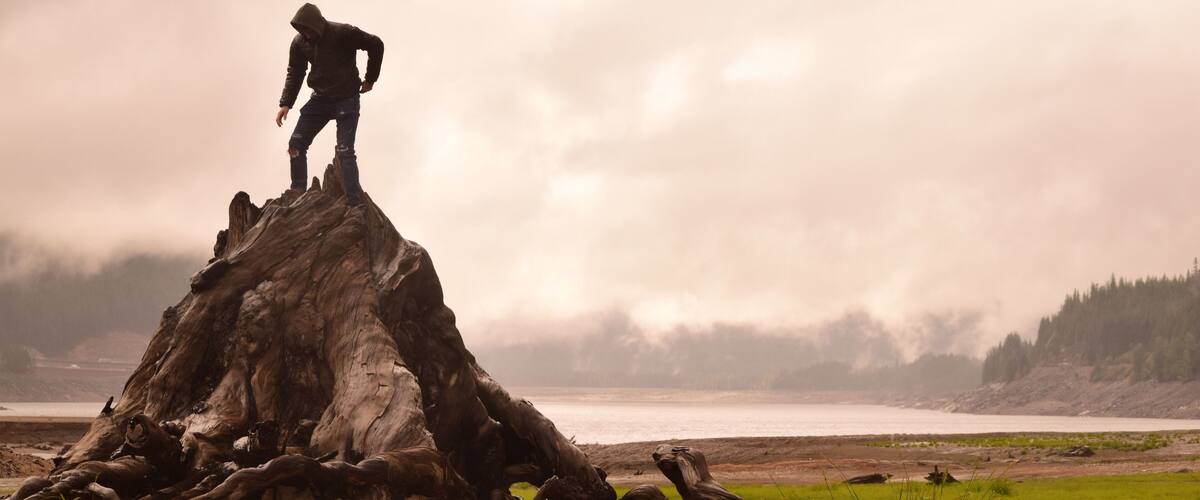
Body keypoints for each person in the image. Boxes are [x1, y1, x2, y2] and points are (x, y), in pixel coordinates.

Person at [275, 3, 383, 207]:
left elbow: (376, 44)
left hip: (346, 98)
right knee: (295, 146)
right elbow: (295, 72)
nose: (305, 34)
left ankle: (355, 205)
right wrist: (286, 103)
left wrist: (370, 79)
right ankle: (298, 196)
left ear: (317, 25)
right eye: (301, 30)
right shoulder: (299, 43)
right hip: (320, 99)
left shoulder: (343, 32)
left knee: (344, 151)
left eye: (307, 29)